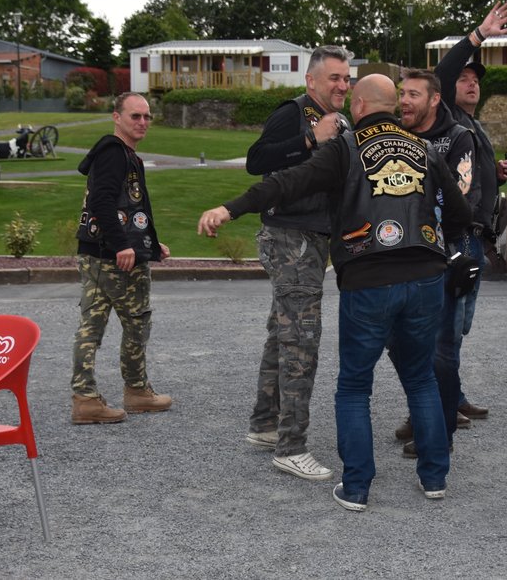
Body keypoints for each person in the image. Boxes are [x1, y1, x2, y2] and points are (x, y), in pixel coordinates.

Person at [198, 74, 472, 511]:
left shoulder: (346, 148)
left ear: (359, 106)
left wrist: (230, 208)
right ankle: (434, 477)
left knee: (355, 386)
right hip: (425, 275)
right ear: (392, 106)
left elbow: (286, 183)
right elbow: (459, 211)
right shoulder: (424, 148)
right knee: (420, 378)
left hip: (369, 277)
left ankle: (357, 486)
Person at [242, 45, 351, 481]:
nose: (342, 85)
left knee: (282, 333)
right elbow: (256, 161)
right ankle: (291, 447)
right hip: (290, 238)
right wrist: (310, 139)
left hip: (313, 239)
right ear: (311, 81)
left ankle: (265, 425)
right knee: (301, 340)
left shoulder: (341, 120)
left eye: (346, 78)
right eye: (334, 78)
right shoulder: (294, 113)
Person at [428, 2, 507, 425]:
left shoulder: (472, 126)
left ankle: (453, 395)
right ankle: (434, 407)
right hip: (456, 238)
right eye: (463, 79)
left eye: (475, 80)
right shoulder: (446, 117)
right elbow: (441, 73)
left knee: (458, 327)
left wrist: (494, 175)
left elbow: (469, 178)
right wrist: (478, 36)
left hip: (477, 236)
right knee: (446, 328)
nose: (470, 84)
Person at [70, 92, 172, 425]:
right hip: (114, 258)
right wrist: (122, 246)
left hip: (94, 251)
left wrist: (150, 245)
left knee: (91, 325)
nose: (143, 122)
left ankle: (85, 399)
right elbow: (101, 202)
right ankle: (137, 391)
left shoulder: (118, 154)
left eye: (147, 116)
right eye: (135, 116)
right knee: (137, 321)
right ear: (117, 117)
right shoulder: (115, 153)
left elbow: (130, 208)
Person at [391, 68, 477, 457]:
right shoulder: (395, 135)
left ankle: (439, 433)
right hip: (402, 254)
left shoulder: (458, 138)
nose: (404, 101)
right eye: (402, 94)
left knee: (442, 348)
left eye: (413, 94)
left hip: (444, 254)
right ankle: (422, 412)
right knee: (402, 343)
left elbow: (460, 198)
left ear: (434, 99)